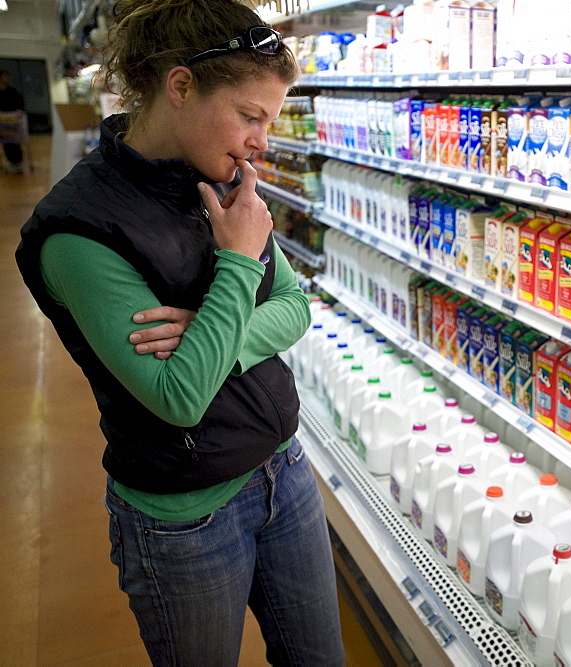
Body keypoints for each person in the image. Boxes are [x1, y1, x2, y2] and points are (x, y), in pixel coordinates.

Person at [15, 1, 345, 664]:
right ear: (181, 86)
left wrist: (208, 331)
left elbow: (293, 304)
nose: (262, 142)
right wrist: (234, 265)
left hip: (284, 468)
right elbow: (179, 396)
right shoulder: (77, 230)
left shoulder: (224, 178)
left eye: (270, 122)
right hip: (184, 520)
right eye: (250, 116)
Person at [0, 69, 25, 171]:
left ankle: (17, 161)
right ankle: (11, 161)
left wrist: (18, 111)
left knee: (14, 141)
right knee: (6, 142)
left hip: (13, 121)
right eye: (4, 76)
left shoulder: (12, 91)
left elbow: (20, 103)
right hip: (2, 122)